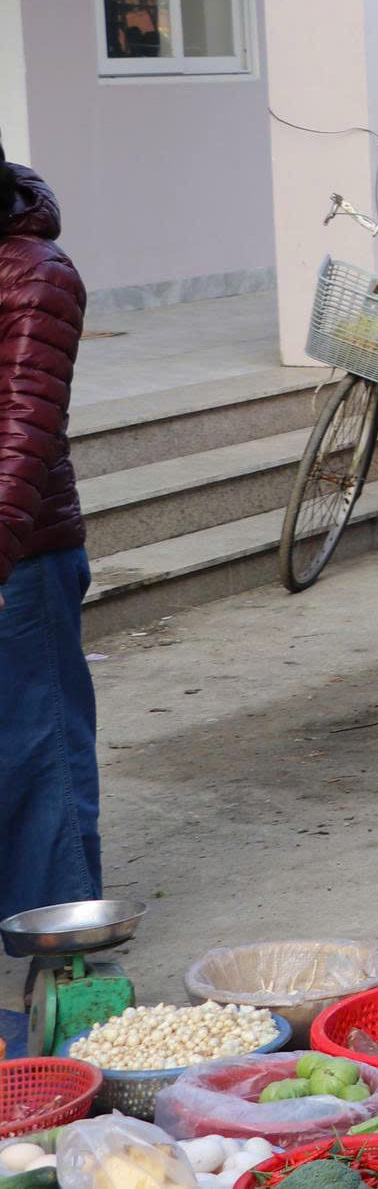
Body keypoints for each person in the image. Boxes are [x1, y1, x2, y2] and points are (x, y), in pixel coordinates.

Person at [0, 158, 98, 918]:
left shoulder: (37, 274)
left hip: (22, 557)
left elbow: (23, 435)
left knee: (41, 758)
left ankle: (59, 952)